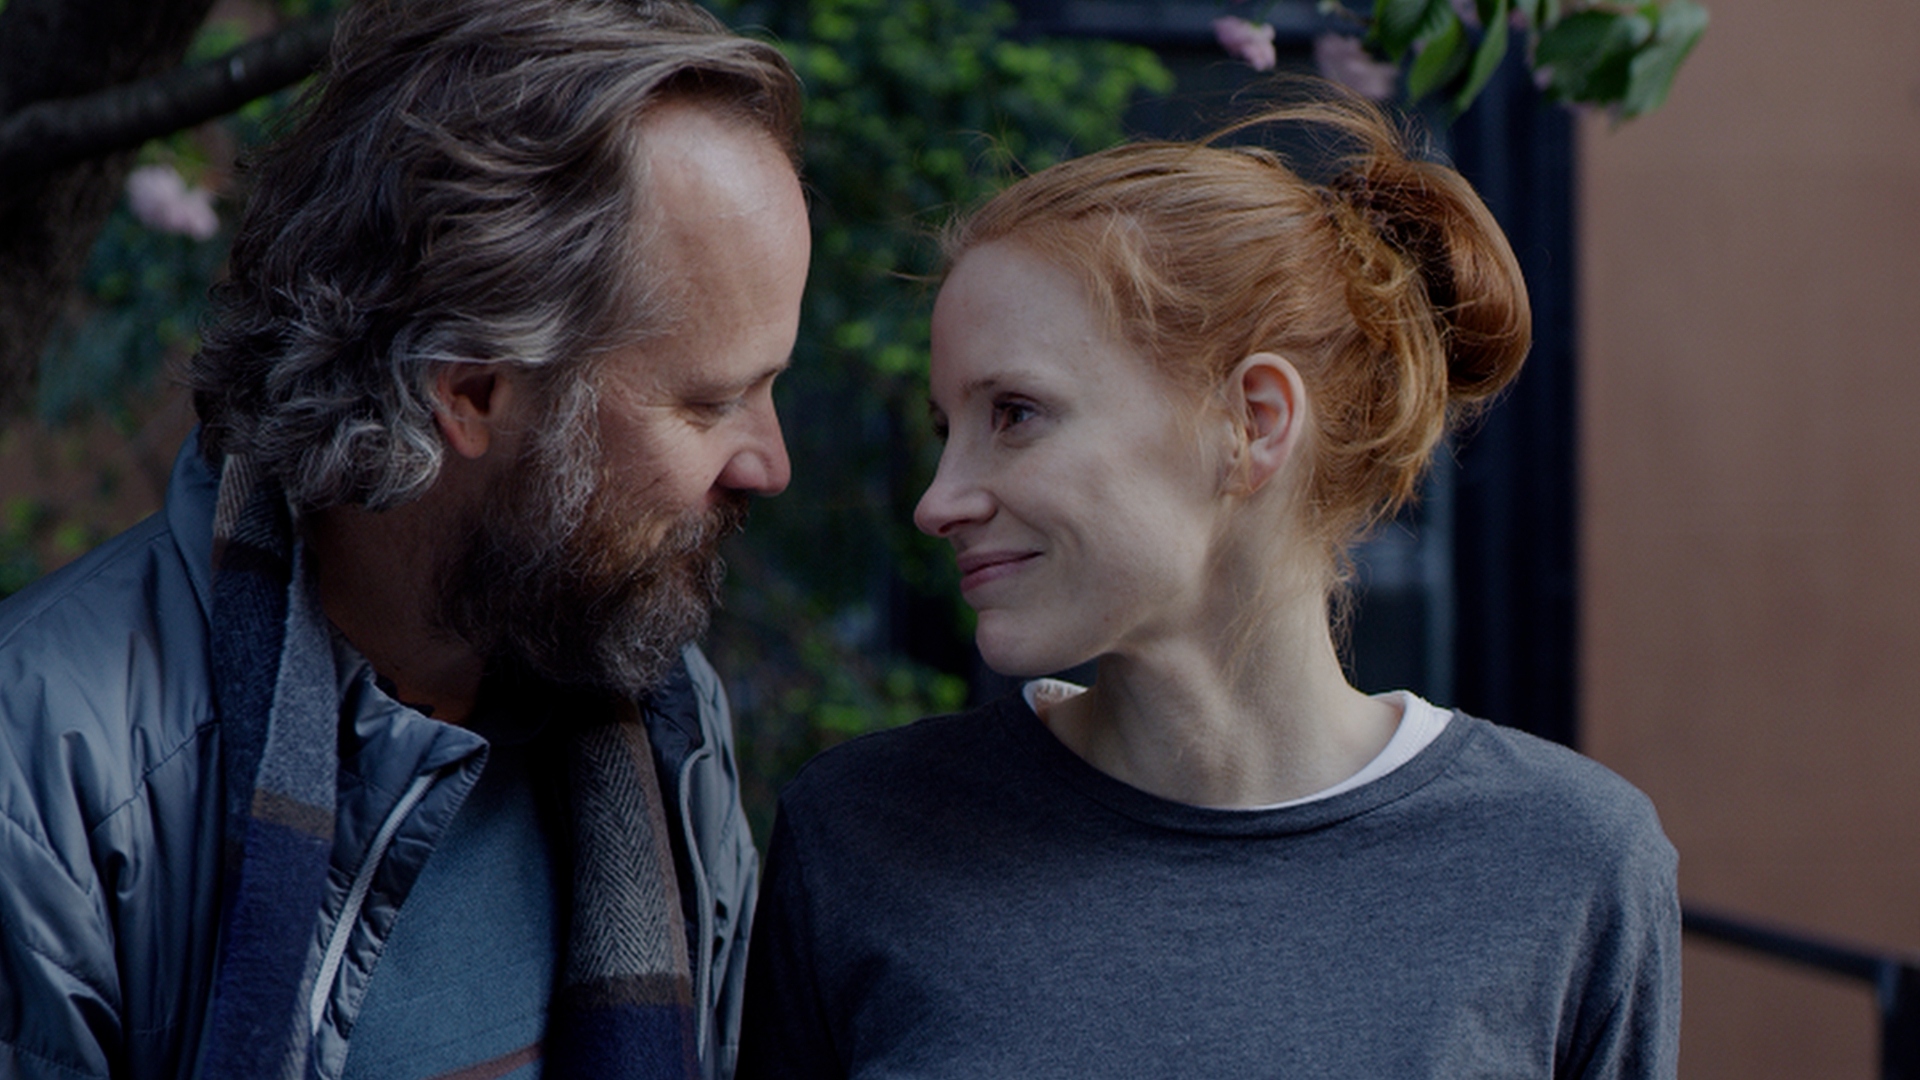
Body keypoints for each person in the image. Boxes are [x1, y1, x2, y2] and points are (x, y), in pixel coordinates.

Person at [738, 88, 1679, 1078]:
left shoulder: (1571, 865)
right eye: (946, 428)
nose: (940, 501)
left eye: (1013, 413)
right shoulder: (860, 836)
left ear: (1252, 423)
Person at [0, 1, 807, 1078]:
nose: (770, 463)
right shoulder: (47, 777)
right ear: (469, 391)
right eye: (711, 403)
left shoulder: (662, 711)